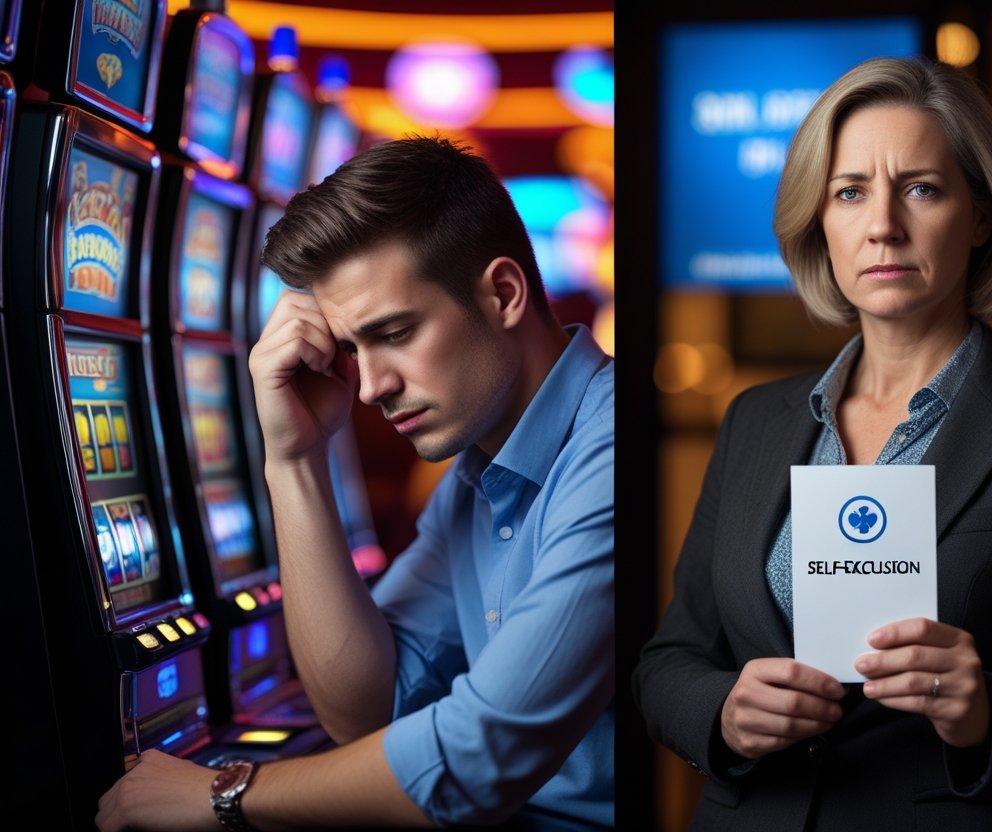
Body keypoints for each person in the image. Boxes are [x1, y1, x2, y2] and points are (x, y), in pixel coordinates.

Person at [632, 56, 992, 830]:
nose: (882, 224)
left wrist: (986, 712)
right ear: (821, 221)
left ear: (979, 216)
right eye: (850, 192)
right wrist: (723, 712)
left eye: (921, 188)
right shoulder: (755, 420)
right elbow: (666, 664)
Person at [96, 136, 614, 831]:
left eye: (395, 332)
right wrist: (294, 459)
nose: (371, 387)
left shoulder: (610, 448)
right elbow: (366, 710)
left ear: (504, 293)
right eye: (350, 348)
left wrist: (224, 796)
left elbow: (478, 756)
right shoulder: (477, 475)